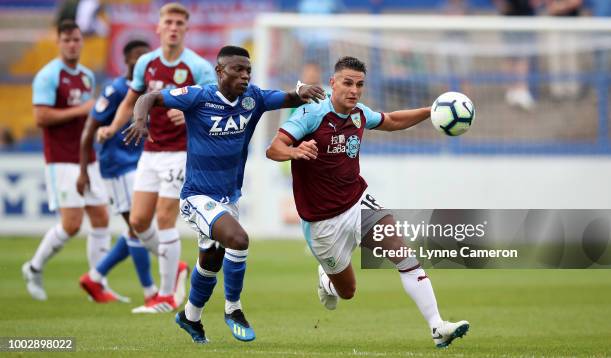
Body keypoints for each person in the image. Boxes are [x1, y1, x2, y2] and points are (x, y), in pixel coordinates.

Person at [123, 45, 325, 343]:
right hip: (196, 197)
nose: (245, 75)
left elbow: (290, 97)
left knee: (211, 260)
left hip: (228, 198)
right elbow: (148, 97)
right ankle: (233, 309)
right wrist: (141, 120)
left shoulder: (253, 97)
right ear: (219, 72)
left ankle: (190, 316)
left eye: (248, 70)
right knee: (238, 239)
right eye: (238, 70)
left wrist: (302, 88)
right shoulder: (198, 96)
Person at [266, 56, 470, 348]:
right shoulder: (311, 114)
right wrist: (296, 151)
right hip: (322, 223)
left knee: (404, 255)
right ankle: (327, 279)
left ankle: (438, 326)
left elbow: (392, 121)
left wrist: (433, 110)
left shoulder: (360, 114)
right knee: (347, 292)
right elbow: (274, 148)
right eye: (348, 83)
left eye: (360, 85)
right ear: (333, 83)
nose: (354, 90)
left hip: (358, 202)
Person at [97, 2, 216, 313]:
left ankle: (164, 296)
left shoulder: (198, 67)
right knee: (137, 221)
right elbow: (131, 100)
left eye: (179, 22)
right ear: (159, 27)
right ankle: (175, 266)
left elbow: (215, 106)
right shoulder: (146, 64)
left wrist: (190, 111)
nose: (174, 27)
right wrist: (112, 127)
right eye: (169, 22)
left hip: (181, 153)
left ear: (186, 29)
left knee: (165, 219)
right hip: (150, 151)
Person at [22, 20, 109, 301]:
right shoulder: (49, 76)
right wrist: (80, 109)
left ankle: (96, 283)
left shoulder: (86, 76)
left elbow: (88, 116)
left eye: (76, 39)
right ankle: (33, 267)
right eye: (67, 40)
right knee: (72, 224)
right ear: (58, 42)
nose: (72, 44)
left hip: (87, 155)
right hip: (60, 158)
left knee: (101, 217)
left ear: (82, 42)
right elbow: (41, 117)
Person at [77, 39, 160, 305]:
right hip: (117, 164)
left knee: (137, 226)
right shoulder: (115, 89)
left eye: (146, 56)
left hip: (137, 164)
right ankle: (150, 292)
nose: (142, 61)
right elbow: (91, 128)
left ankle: (95, 275)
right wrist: (83, 170)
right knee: (137, 226)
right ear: (126, 60)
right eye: (137, 56)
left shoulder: (148, 92)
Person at [495, 0, 537, 110]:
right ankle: (511, 91)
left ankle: (522, 91)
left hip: (525, 18)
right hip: (509, 20)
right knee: (510, 57)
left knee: (523, 57)